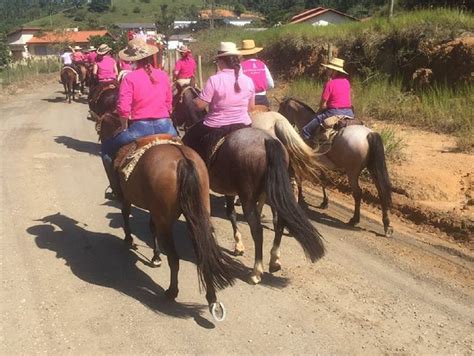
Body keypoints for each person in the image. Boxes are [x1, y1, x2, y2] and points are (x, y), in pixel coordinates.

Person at [100, 39, 176, 197]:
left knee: (106, 150)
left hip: (140, 128)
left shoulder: (129, 78)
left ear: (132, 59)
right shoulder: (162, 75)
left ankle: (116, 190)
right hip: (166, 126)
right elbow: (169, 103)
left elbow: (123, 108)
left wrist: (123, 126)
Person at [183, 42, 255, 164]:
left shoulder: (215, 80)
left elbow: (200, 106)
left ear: (221, 61)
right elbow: (251, 107)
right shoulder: (248, 80)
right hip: (244, 124)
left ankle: (201, 173)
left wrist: (193, 101)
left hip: (217, 126)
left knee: (188, 139)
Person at [301, 57, 354, 141]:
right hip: (349, 113)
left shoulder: (330, 84)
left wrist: (321, 110)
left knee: (305, 131)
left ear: (334, 71)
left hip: (333, 112)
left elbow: (322, 106)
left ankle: (310, 151)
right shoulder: (346, 82)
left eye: (329, 69)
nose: (327, 70)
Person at [239, 39, 274, 108]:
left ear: (243, 54)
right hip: (262, 99)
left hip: (247, 100)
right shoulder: (262, 65)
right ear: (255, 53)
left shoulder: (240, 66)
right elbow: (271, 85)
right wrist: (261, 88)